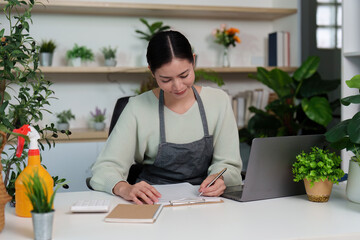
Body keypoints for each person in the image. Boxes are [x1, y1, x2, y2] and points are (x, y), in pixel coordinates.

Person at [90, 30, 242, 205]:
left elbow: (229, 166)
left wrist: (220, 179)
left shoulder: (218, 101)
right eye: (166, 79)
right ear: (151, 72)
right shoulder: (137, 107)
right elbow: (104, 169)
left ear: (193, 61)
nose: (177, 86)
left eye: (184, 75)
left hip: (205, 201)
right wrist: (124, 187)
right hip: (152, 202)